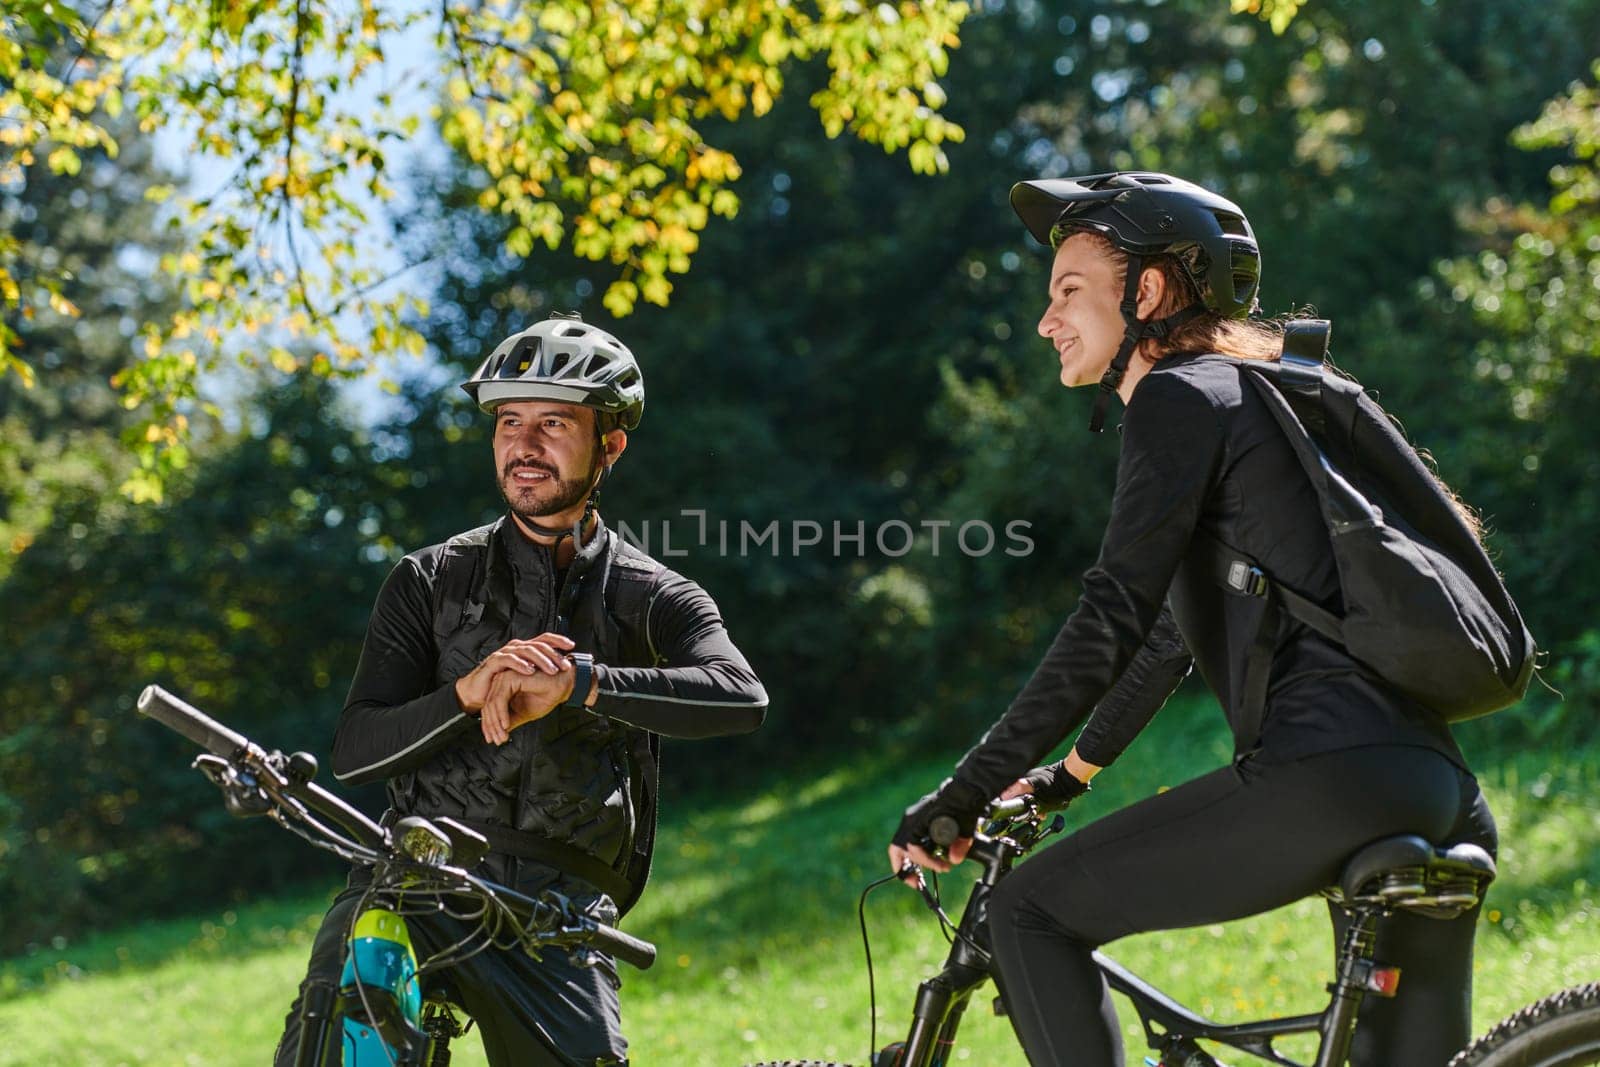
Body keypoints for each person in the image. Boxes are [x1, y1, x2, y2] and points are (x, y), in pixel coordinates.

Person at [887, 172, 1496, 1066]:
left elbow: (1113, 618)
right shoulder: (1257, 396)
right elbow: (1172, 632)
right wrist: (1068, 775)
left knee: (1030, 911)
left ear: (1149, 290)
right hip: (1437, 789)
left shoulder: (1177, 397)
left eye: (1067, 291)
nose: (1047, 320)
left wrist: (962, 793)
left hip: (1324, 777)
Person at [276, 315, 768, 1066]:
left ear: (610, 444)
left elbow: (740, 693)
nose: (524, 444)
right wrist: (466, 694)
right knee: (345, 1024)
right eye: (509, 421)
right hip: (420, 883)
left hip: (559, 912)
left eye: (553, 422)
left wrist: (579, 682)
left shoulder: (654, 594)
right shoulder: (428, 580)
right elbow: (354, 750)